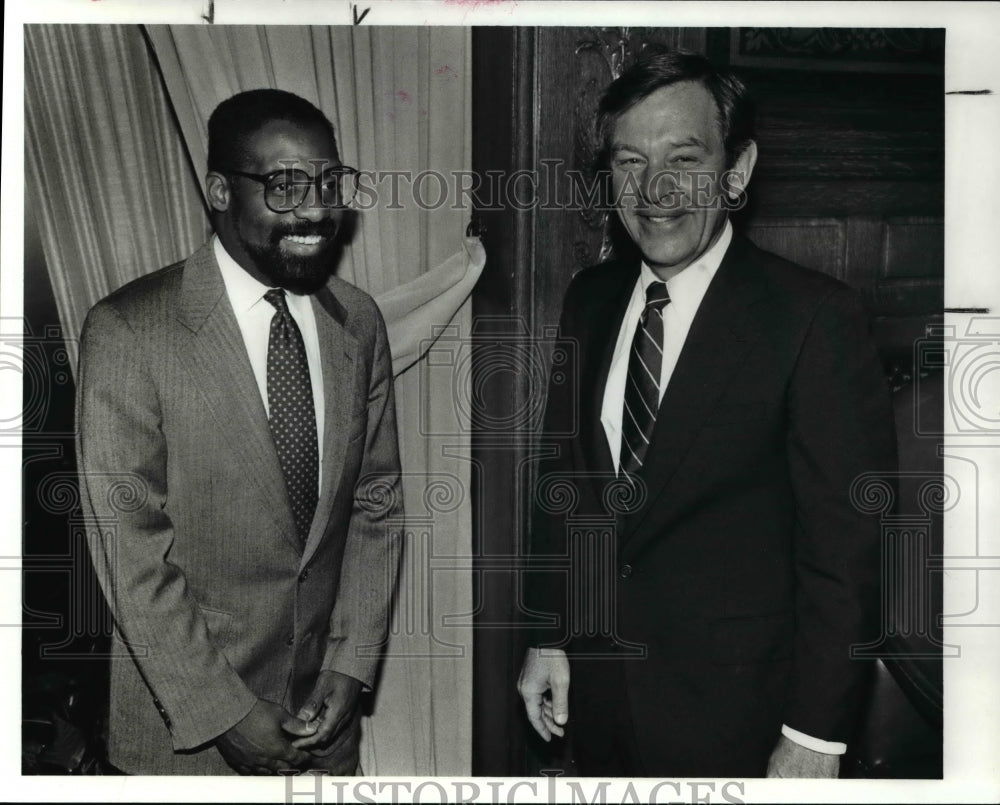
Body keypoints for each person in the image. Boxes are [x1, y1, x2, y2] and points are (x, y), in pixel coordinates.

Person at [518, 50, 897, 778]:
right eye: (629, 161)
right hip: (600, 700)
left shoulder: (812, 317)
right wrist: (548, 633)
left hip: (744, 718)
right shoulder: (590, 298)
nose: (654, 188)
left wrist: (815, 736)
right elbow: (561, 479)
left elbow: (846, 554)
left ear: (738, 170)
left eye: (684, 158)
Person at [76, 89, 402, 775]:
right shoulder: (129, 330)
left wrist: (350, 664)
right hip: (184, 741)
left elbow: (376, 501)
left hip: (325, 731)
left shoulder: (359, 323)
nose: (314, 208)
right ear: (220, 190)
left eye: (328, 182)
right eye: (284, 186)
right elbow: (130, 552)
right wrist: (225, 711)